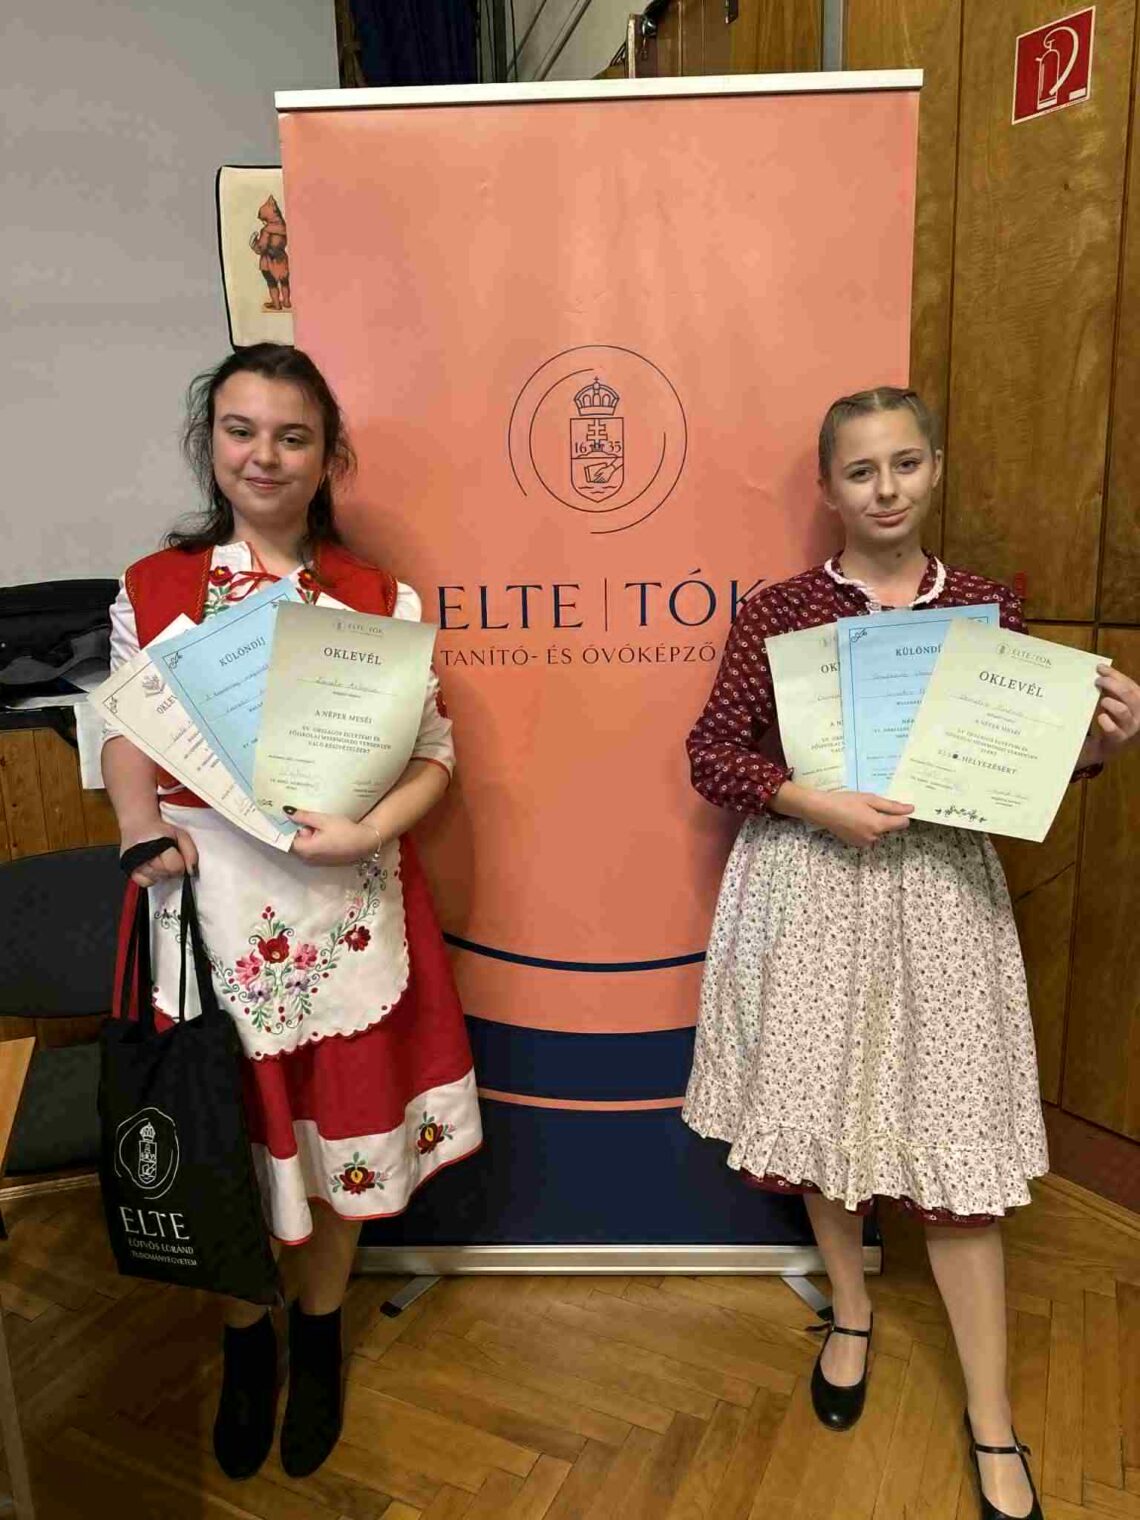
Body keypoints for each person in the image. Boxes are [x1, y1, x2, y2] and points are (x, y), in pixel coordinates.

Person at [682, 386, 1140, 1520]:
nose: (884, 489)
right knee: (826, 1122)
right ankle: (850, 1309)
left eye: (904, 463)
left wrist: (1094, 746)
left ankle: (992, 1416)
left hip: (940, 898)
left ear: (935, 468)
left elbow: (1017, 766)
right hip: (812, 890)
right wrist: (811, 800)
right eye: (860, 470)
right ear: (828, 487)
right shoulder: (781, 611)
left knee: (960, 1153)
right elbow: (711, 753)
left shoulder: (987, 607)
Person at [101, 343, 482, 1482]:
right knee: (229, 1134)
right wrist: (139, 827)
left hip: (342, 900)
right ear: (210, 443)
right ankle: (244, 1336)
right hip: (204, 899)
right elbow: (124, 733)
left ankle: (318, 1332)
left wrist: (372, 831)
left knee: (339, 1132)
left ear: (327, 457)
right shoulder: (153, 588)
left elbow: (434, 752)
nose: (263, 455)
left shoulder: (379, 596)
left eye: (292, 435)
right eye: (241, 430)